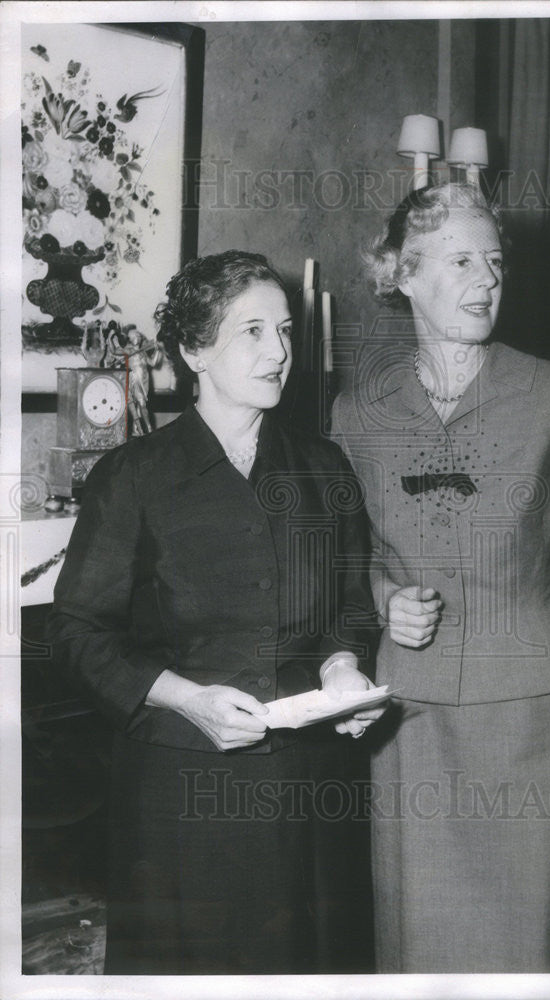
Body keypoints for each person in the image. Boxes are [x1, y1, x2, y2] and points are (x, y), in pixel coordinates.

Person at [49, 250, 385, 975]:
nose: (279, 352)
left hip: (308, 790)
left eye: (285, 330)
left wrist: (343, 668)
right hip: (182, 794)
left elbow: (351, 607)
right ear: (195, 350)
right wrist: (186, 697)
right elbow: (77, 632)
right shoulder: (134, 477)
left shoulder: (323, 469)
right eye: (253, 332)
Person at [330, 183, 550, 973]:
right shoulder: (356, 412)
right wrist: (383, 601)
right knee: (419, 941)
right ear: (402, 274)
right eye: (461, 260)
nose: (486, 279)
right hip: (412, 720)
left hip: (535, 714)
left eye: (494, 261)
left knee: (534, 942)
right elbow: (343, 557)